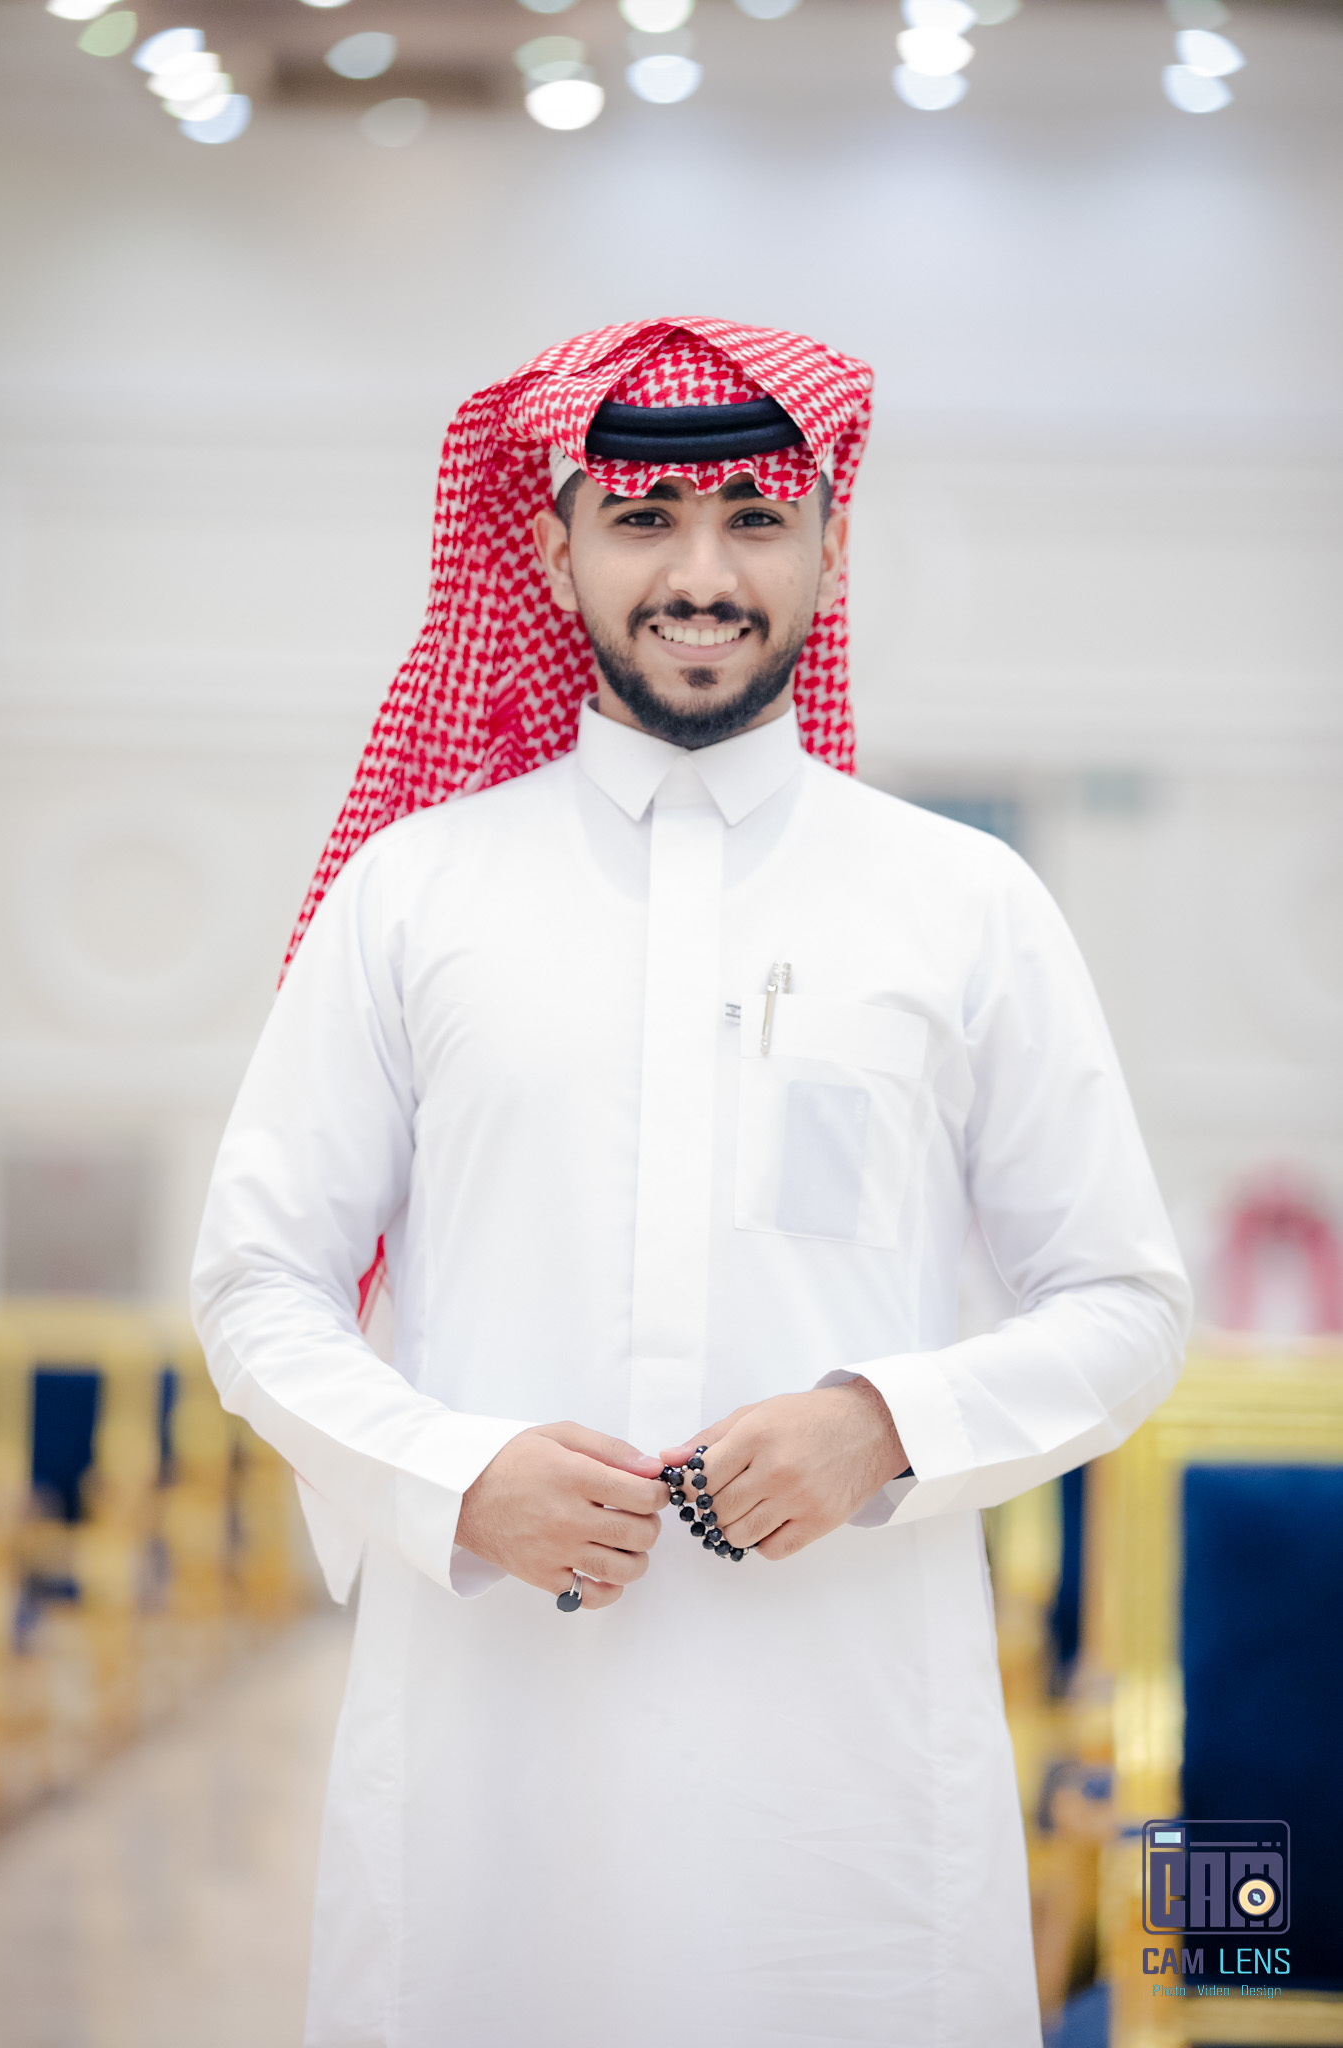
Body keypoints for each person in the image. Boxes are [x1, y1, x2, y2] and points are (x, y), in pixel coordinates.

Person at [191, 317, 1191, 2048]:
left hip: (845, 1756)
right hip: (494, 1742)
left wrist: (883, 1423)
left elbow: (1123, 1302)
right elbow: (255, 1282)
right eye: (645, 519)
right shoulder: (412, 894)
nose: (702, 574)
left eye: (754, 519)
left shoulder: (963, 905)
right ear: (552, 548)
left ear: (830, 550)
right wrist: (451, 1476)